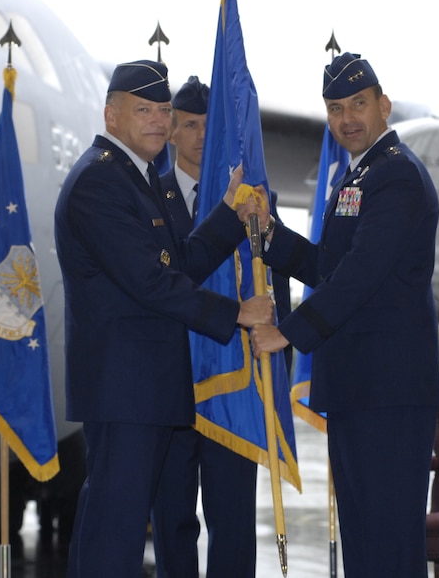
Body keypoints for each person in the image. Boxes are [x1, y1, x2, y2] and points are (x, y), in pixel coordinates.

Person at [54, 60, 272, 578]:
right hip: (125, 388)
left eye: (163, 111)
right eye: (143, 109)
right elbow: (150, 282)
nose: (156, 121)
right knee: (116, 532)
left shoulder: (138, 177)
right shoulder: (99, 182)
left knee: (117, 527)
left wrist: (228, 215)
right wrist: (236, 313)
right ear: (111, 114)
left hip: (144, 389)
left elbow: (181, 261)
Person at [250, 52, 439, 577]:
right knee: (363, 538)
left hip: (391, 389)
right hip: (362, 387)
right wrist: (270, 237)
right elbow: (330, 266)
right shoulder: (360, 178)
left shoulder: (397, 177)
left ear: (385, 106)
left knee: (388, 541)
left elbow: (361, 273)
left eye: (358, 104)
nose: (347, 118)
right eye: (335, 108)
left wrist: (286, 334)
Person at [151, 75, 267, 578]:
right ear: (171, 130)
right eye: (191, 125)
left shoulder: (251, 199)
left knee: (234, 523)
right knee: (172, 520)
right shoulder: (146, 198)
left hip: (233, 383)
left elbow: (269, 285)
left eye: (210, 125)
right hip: (167, 384)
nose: (201, 135)